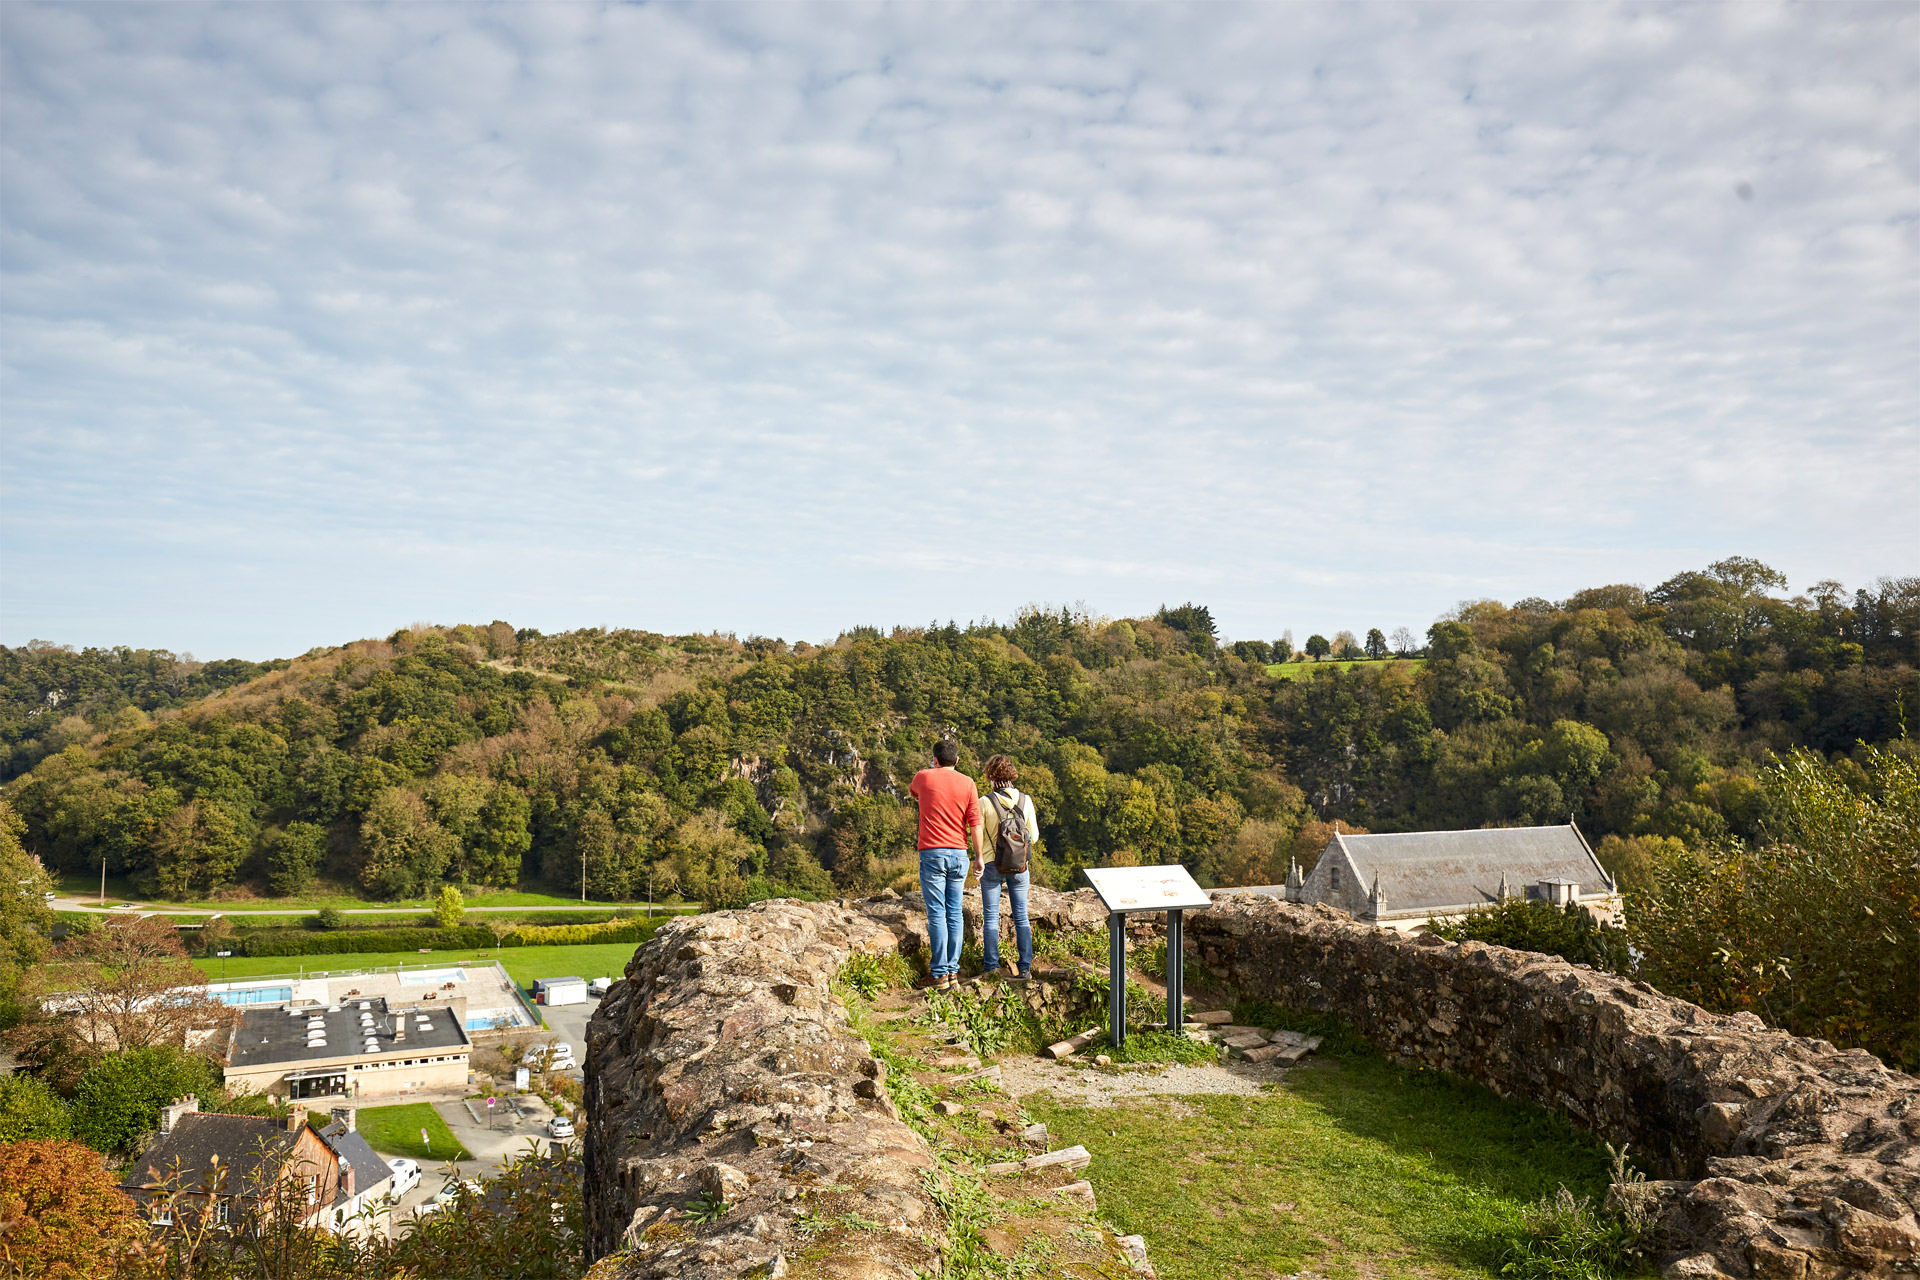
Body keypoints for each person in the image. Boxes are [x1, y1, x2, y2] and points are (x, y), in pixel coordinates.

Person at [908, 740, 982, 991]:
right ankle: (952, 972)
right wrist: (979, 856)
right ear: (957, 761)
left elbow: (914, 793)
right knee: (955, 913)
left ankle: (939, 974)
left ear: (935, 759)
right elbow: (975, 823)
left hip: (933, 853)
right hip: (960, 854)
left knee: (937, 913)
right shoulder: (969, 783)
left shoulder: (923, 776)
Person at [976, 754, 1038, 980]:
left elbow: (978, 837)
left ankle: (991, 966)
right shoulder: (1026, 800)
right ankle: (1024, 968)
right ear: (1011, 775)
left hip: (992, 865)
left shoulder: (985, 801)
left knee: (991, 917)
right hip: (1020, 866)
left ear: (992, 777)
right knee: (1021, 916)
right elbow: (1036, 837)